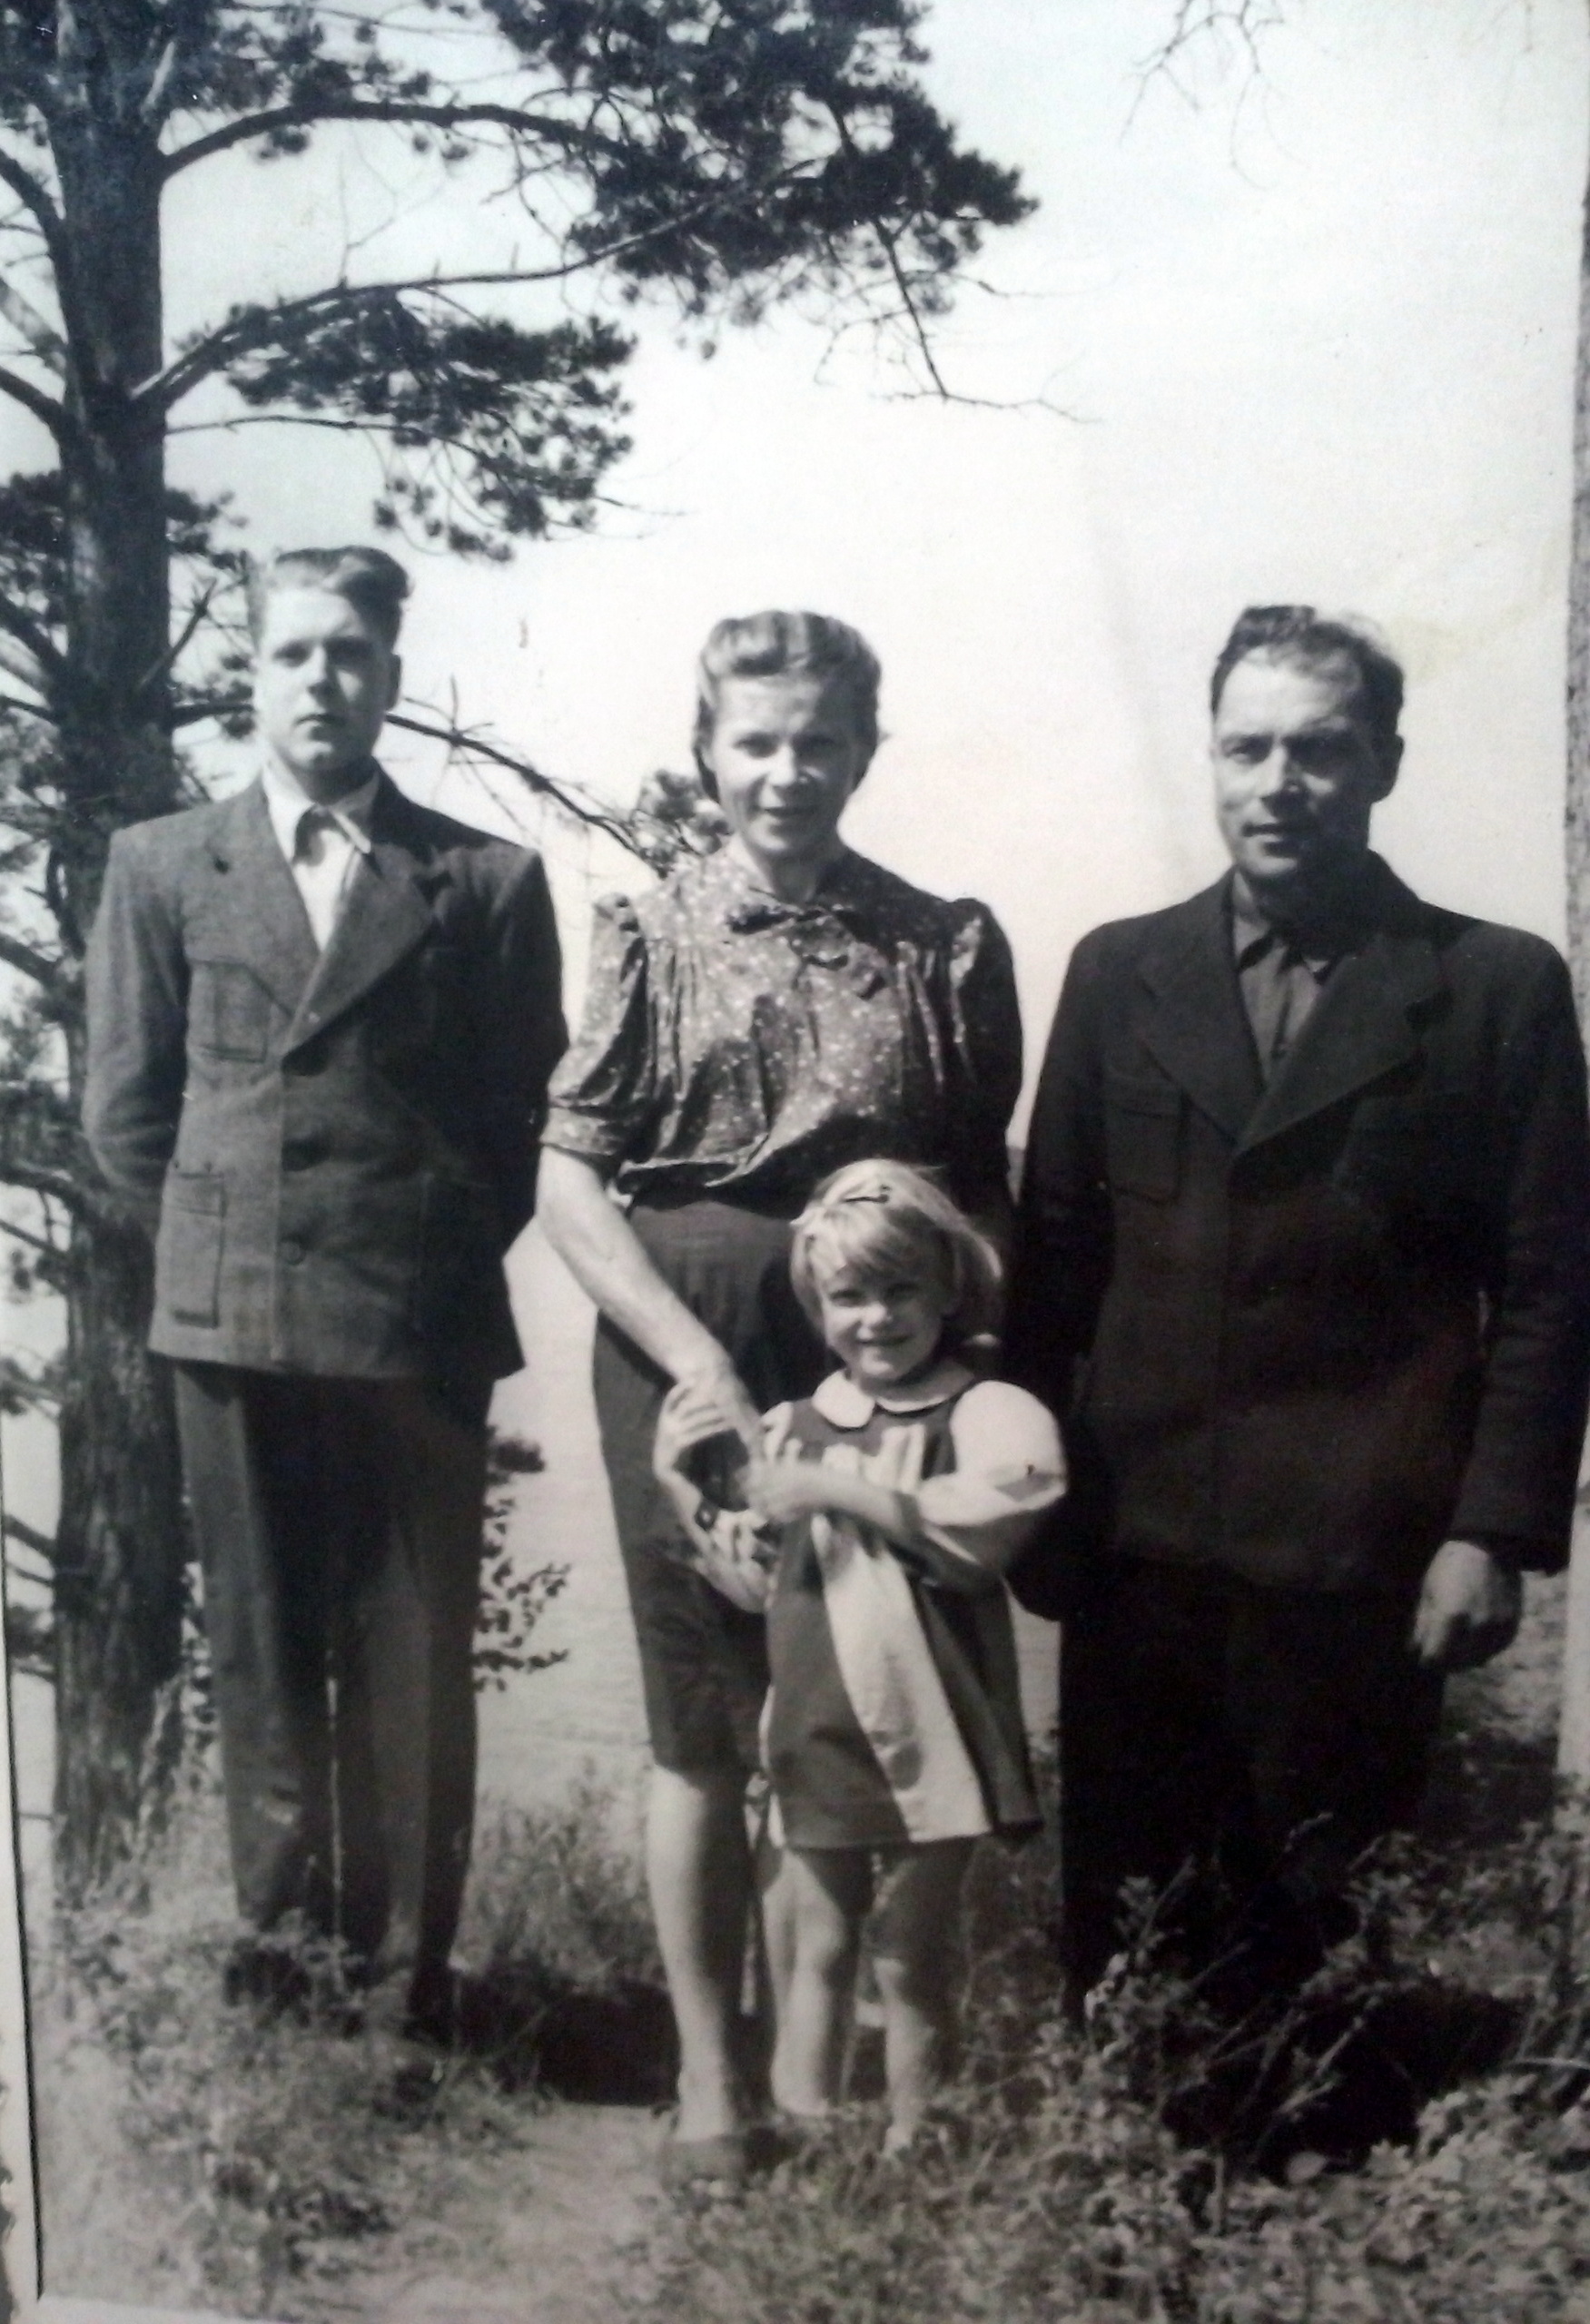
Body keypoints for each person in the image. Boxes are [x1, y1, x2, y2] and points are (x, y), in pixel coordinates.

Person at [1007, 604, 1590, 2004]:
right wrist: (1026, 1500)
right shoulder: (1116, 970)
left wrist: (1489, 1533)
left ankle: (1309, 2142)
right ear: (1209, 760)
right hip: (1136, 1547)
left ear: (1382, 762)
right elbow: (1053, 1264)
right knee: (1124, 1935)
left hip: (1357, 1558)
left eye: (1317, 749)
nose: (1278, 783)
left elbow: (1547, 1285)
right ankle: (1119, 2146)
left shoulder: (1491, 987)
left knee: (1314, 1947)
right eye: (1245, 748)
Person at [537, 610, 1022, 2178]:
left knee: (863, 1699)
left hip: (878, 1342)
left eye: (818, 741)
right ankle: (713, 2085)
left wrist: (955, 1369)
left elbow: (981, 1187)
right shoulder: (647, 928)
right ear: (705, 752)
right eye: (754, 741)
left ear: (863, 750)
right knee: (702, 1725)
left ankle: (863, 2079)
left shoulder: (941, 943)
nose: (785, 772)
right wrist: (692, 1364)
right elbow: (567, 1178)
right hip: (691, 1329)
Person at [83, 546, 566, 2026]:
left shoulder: (485, 881)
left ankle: (406, 1990)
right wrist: (233, 1242)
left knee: (413, 1668)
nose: (321, 681)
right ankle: (284, 1976)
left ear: (391, 678)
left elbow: (518, 1124)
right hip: (235, 1323)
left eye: (350, 654)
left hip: (415, 1330)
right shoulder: (162, 863)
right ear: (252, 673)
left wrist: (415, 1246)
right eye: (293, 652)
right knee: (264, 1656)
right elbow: (125, 1118)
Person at [655, 1162, 1063, 2155]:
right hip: (818, 1728)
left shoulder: (984, 1411)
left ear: (946, 1289)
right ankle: (811, 2142)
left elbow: (1009, 1506)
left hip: (934, 1734)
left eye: (899, 1290)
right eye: (848, 1296)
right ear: (816, 1305)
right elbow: (753, 1585)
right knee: (816, 1946)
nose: (876, 1318)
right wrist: (678, 1484)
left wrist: (839, 1492)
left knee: (909, 1955)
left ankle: (918, 2146)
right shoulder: (791, 1426)